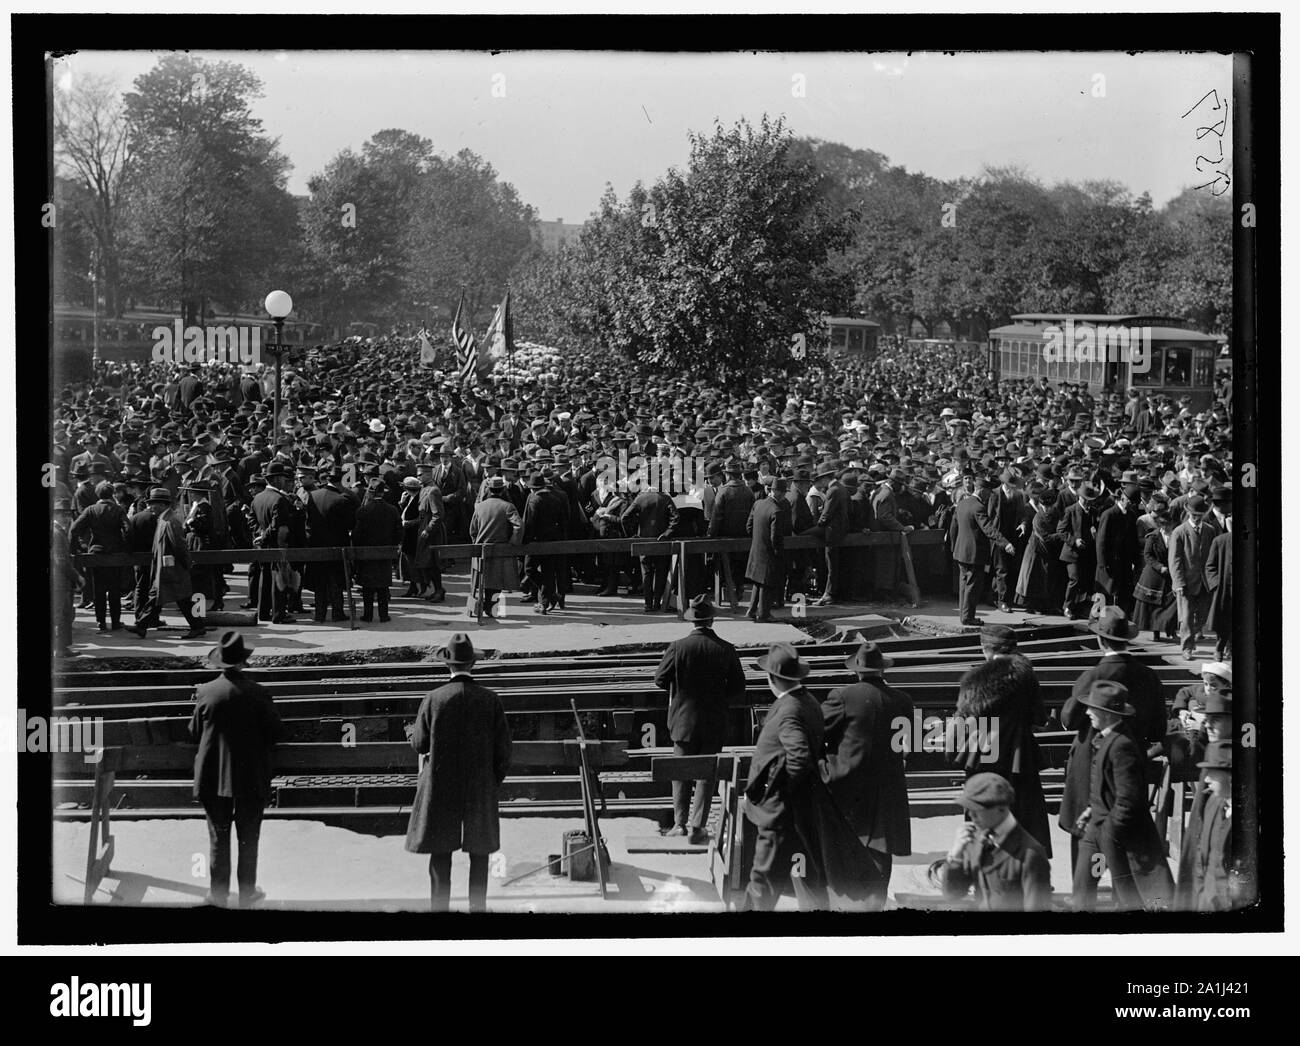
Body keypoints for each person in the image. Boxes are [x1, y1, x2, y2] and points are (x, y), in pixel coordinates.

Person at [404, 634, 513, 913]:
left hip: (442, 786)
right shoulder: (490, 700)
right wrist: (491, 781)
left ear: (447, 665)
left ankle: (439, 909)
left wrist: (413, 733)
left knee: (441, 852)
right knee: (480, 853)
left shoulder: (434, 699)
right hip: (479, 787)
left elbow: (420, 744)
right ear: (472, 664)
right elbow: (504, 752)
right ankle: (477, 909)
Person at [188, 631, 284, 908]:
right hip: (250, 777)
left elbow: (194, 732)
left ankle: (218, 895)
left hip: (212, 778)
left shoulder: (205, 692)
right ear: (243, 662)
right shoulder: (259, 693)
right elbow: (276, 733)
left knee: (218, 837)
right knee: (248, 839)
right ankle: (247, 893)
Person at [820, 641, 913, 908]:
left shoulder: (843, 696)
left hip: (848, 786)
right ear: (882, 670)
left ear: (857, 670)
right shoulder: (903, 700)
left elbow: (817, 729)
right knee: (880, 851)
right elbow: (909, 745)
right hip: (887, 788)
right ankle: (875, 905)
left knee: (844, 847)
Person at [740, 643, 830, 911]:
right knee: (810, 880)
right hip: (803, 809)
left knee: (762, 884)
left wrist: (773, 793)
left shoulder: (789, 710)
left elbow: (799, 757)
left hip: (780, 813)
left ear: (771, 678)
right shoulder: (808, 701)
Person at [1069, 680, 1174, 912]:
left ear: (1107, 714)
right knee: (1083, 887)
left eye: (1092, 708)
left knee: (1129, 896)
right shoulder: (1107, 737)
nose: (1087, 713)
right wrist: (1092, 809)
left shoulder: (1122, 746)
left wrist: (1109, 829)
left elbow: (1129, 799)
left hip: (1118, 834)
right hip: (1097, 828)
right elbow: (1107, 785)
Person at [652, 594, 746, 843]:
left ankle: (679, 824)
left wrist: (680, 689)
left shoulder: (678, 647)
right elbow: (738, 687)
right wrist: (718, 698)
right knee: (706, 774)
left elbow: (659, 679)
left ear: (692, 621)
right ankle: (698, 827)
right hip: (714, 722)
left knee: (681, 772)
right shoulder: (726, 649)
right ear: (712, 620)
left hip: (683, 721)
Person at [950, 654, 1051, 855]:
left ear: (985, 648)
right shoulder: (1026, 676)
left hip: (981, 751)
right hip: (1019, 753)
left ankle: (981, 861)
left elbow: (962, 718)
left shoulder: (973, 681)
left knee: (980, 807)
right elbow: (1039, 717)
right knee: (1024, 813)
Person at [931, 772, 1051, 912]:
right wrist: (956, 856)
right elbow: (953, 893)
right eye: (968, 808)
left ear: (1001, 809)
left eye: (977, 809)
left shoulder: (1030, 854)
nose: (970, 815)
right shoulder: (976, 839)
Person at [132, 487, 206, 639]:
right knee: (157, 597)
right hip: (165, 568)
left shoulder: (171, 521)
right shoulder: (163, 519)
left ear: (162, 504)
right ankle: (141, 626)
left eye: (153, 504)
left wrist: (186, 564)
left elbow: (179, 546)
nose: (150, 507)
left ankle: (198, 627)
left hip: (171, 569)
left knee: (181, 599)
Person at [68, 480, 129, 634]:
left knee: (98, 590)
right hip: (115, 553)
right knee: (114, 590)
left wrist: (75, 549)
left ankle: (101, 622)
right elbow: (128, 530)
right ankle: (115, 622)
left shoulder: (90, 510)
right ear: (112, 494)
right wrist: (127, 549)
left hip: (96, 553)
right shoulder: (118, 510)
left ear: (97, 494)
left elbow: (74, 529)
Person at [948, 480, 1010, 626]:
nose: (990, 495)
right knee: (973, 587)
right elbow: (988, 529)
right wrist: (1005, 543)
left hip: (961, 552)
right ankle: (968, 617)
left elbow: (953, 527)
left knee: (964, 585)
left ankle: (964, 615)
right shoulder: (979, 507)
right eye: (989, 492)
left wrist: (954, 547)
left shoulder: (962, 503)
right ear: (982, 490)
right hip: (974, 554)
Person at [468, 475, 524, 618]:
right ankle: (491, 608)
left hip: (481, 551)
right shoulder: (507, 506)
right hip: (500, 551)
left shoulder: (480, 506)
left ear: (488, 489)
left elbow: (472, 530)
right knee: (497, 581)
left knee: (482, 580)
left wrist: (477, 543)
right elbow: (519, 526)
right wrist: (513, 543)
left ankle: (480, 607)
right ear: (503, 490)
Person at [351, 477, 403, 622]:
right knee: (383, 585)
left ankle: (367, 615)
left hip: (366, 554)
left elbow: (356, 535)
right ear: (383, 492)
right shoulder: (392, 510)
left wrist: (359, 548)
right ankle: (383, 615)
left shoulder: (363, 511)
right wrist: (392, 545)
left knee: (367, 586)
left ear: (370, 492)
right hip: (385, 552)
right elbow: (399, 532)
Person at [1169, 493, 1214, 658]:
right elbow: (1174, 560)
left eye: (1200, 515)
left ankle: (1192, 636)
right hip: (1186, 583)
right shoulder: (1179, 532)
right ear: (1188, 513)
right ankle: (1186, 647)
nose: (1196, 518)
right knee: (1186, 616)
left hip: (1205, 582)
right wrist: (1178, 582)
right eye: (1194, 515)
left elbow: (1213, 556)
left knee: (1202, 616)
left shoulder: (1210, 530)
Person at [621, 481, 674, 613]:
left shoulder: (640, 498)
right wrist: (667, 533)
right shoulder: (665, 498)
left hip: (643, 540)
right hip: (661, 541)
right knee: (661, 572)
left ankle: (648, 604)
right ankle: (657, 602)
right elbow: (676, 518)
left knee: (646, 572)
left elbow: (624, 518)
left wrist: (632, 535)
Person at [744, 476, 791, 622]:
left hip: (756, 549)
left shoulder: (758, 504)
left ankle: (752, 610)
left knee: (758, 581)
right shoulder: (776, 510)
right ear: (780, 493)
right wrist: (779, 554)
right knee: (767, 584)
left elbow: (749, 527)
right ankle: (763, 614)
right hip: (769, 553)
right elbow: (775, 538)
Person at [1132, 506, 1179, 642]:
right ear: (1159, 524)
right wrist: (1159, 567)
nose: (1166, 527)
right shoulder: (1152, 537)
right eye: (1163, 524)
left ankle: (1171, 630)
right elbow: (1147, 556)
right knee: (1154, 606)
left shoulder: (1176, 536)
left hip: (1170, 575)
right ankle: (1156, 632)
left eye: (1168, 524)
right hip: (1154, 576)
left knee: (1172, 603)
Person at [1204, 516, 1232, 662]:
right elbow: (1210, 566)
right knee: (1223, 622)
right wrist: (1216, 585)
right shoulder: (1220, 541)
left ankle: (1231, 649)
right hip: (1224, 591)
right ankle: (1219, 648)